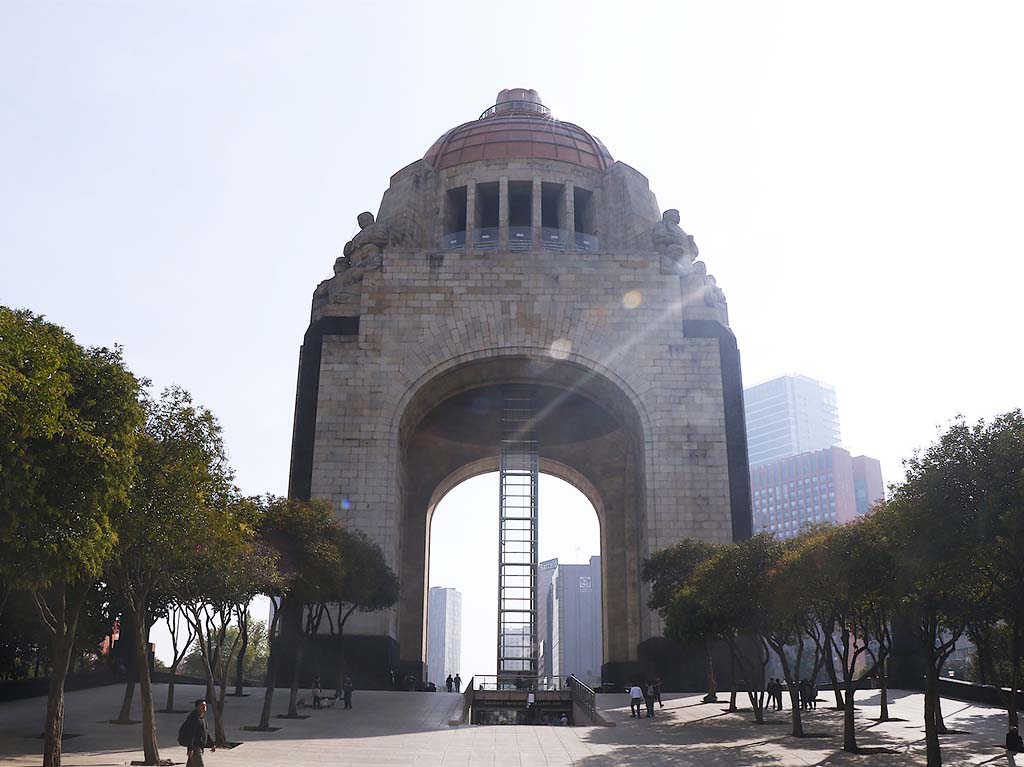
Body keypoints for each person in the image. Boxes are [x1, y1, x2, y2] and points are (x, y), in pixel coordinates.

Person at [180, 699, 216, 767]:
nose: (204, 706)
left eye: (205, 705)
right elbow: (190, 734)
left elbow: (205, 732)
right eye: (202, 705)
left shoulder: (202, 718)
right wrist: (190, 749)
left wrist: (212, 744)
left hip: (200, 746)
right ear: (197, 707)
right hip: (195, 748)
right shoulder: (193, 719)